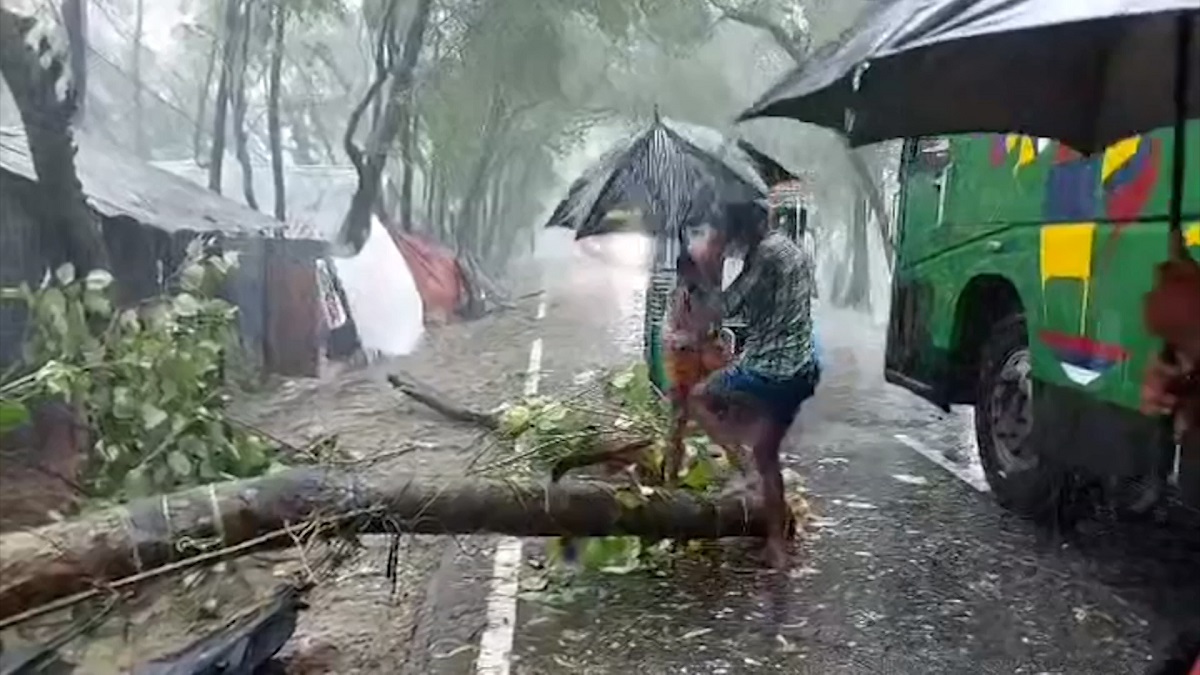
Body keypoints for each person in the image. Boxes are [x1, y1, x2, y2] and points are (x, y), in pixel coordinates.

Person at [687, 200, 820, 569]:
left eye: (730, 232)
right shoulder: (792, 250)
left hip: (769, 369)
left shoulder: (763, 257)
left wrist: (706, 271)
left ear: (744, 229)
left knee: (698, 398)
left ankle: (742, 469)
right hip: (800, 369)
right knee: (768, 454)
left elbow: (723, 309)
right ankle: (776, 546)